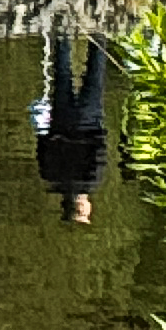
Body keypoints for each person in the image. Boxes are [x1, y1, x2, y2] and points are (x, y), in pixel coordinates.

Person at [34, 30, 110, 225]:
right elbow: (41, 144)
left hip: (89, 123)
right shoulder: (50, 177)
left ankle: (99, 31)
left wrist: (100, 132)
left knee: (95, 72)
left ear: (82, 207)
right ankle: (63, 32)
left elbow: (100, 151)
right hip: (61, 121)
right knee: (62, 73)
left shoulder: (91, 181)